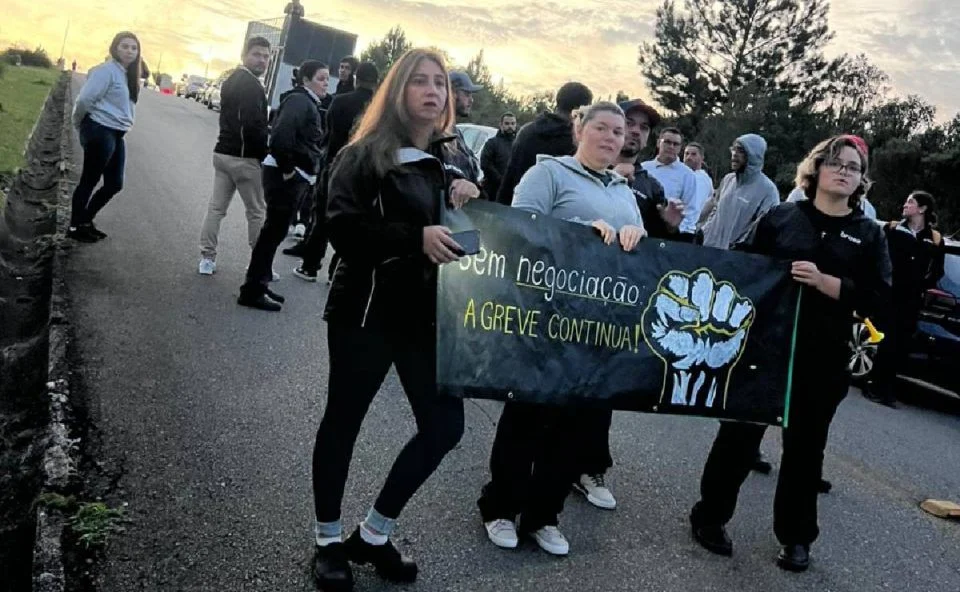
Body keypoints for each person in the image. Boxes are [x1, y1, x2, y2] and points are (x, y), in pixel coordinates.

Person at [310, 48, 480, 591]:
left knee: (445, 426)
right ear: (398, 91)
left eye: (441, 84)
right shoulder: (364, 155)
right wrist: (414, 238)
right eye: (420, 82)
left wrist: (472, 201)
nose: (434, 92)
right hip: (367, 309)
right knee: (344, 421)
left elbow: (473, 236)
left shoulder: (457, 160)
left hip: (429, 317)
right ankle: (328, 540)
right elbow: (341, 228)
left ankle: (375, 534)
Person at [689, 135, 892, 573]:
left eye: (853, 167)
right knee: (738, 438)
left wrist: (829, 284)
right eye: (835, 163)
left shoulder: (869, 234)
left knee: (804, 451)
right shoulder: (782, 218)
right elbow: (743, 268)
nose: (843, 171)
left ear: (861, 180)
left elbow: (882, 298)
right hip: (765, 349)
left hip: (825, 359)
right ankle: (710, 517)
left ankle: (797, 537)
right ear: (816, 169)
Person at [478, 102, 647, 557]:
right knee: (527, 419)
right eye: (603, 129)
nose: (613, 138)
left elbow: (640, 257)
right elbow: (518, 233)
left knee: (573, 427)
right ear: (580, 129)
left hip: (595, 330)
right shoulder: (548, 174)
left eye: (619, 131)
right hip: (544, 321)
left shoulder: (624, 191)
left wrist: (636, 239)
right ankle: (500, 507)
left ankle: (544, 516)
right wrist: (572, 231)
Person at [237, 60, 328, 310]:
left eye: (327, 79)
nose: (326, 83)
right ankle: (252, 289)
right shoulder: (300, 101)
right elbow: (280, 137)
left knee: (274, 233)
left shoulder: (307, 102)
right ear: (306, 79)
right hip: (286, 175)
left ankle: (260, 284)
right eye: (321, 78)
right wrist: (289, 170)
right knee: (272, 233)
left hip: (294, 174)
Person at [290, 61, 380, 282]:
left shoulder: (340, 102)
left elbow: (328, 133)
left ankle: (310, 266)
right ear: (377, 82)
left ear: (356, 78)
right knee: (352, 223)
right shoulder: (379, 108)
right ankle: (335, 272)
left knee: (321, 216)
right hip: (364, 171)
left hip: (334, 163)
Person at [197, 37, 271, 275]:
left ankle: (207, 258)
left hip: (222, 153)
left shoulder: (230, 80)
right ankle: (259, 267)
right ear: (244, 55)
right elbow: (251, 125)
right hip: (244, 157)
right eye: (257, 54)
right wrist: (263, 154)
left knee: (216, 209)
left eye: (266, 56)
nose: (262, 60)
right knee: (257, 212)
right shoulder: (251, 85)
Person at [867, 191, 945, 407]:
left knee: (901, 345)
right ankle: (874, 386)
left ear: (923, 209)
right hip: (889, 294)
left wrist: (923, 286)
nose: (905, 204)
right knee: (885, 341)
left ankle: (889, 390)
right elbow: (876, 257)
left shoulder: (935, 239)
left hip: (911, 300)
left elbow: (937, 271)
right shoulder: (892, 229)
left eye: (911, 202)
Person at [67, 32, 142, 242]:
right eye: (124, 46)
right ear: (115, 48)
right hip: (100, 129)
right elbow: (84, 100)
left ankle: (85, 220)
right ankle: (74, 227)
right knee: (89, 180)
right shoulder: (106, 71)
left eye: (134, 48)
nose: (129, 51)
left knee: (115, 184)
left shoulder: (129, 76)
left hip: (117, 133)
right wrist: (78, 123)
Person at [495, 81, 593, 205]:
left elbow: (509, 179)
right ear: (580, 110)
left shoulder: (526, 132)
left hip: (514, 208)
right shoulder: (574, 142)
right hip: (550, 217)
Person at [699, 134, 780, 250]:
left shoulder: (768, 191)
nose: (734, 154)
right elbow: (715, 209)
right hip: (709, 250)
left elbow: (762, 230)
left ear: (754, 155)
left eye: (741, 150)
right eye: (734, 149)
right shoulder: (728, 179)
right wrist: (703, 232)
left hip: (736, 259)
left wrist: (738, 248)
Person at [641, 128, 701, 241]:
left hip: (671, 235)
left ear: (680, 148)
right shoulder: (644, 168)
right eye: (667, 142)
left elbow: (690, 210)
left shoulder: (687, 175)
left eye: (676, 144)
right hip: (640, 230)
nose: (671, 147)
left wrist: (680, 235)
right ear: (659, 143)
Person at [448, 71, 483, 184]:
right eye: (467, 94)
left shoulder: (455, 132)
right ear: (452, 94)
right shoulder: (436, 132)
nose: (471, 100)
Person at [480, 112, 517, 202]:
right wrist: (500, 180)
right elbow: (485, 164)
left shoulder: (518, 144)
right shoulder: (492, 143)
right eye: (507, 123)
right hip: (493, 191)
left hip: (512, 193)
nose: (510, 126)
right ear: (501, 125)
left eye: (512, 124)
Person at [684, 142, 714, 222]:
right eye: (686, 154)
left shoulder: (703, 179)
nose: (689, 157)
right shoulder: (680, 174)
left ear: (702, 157)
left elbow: (698, 208)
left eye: (693, 154)